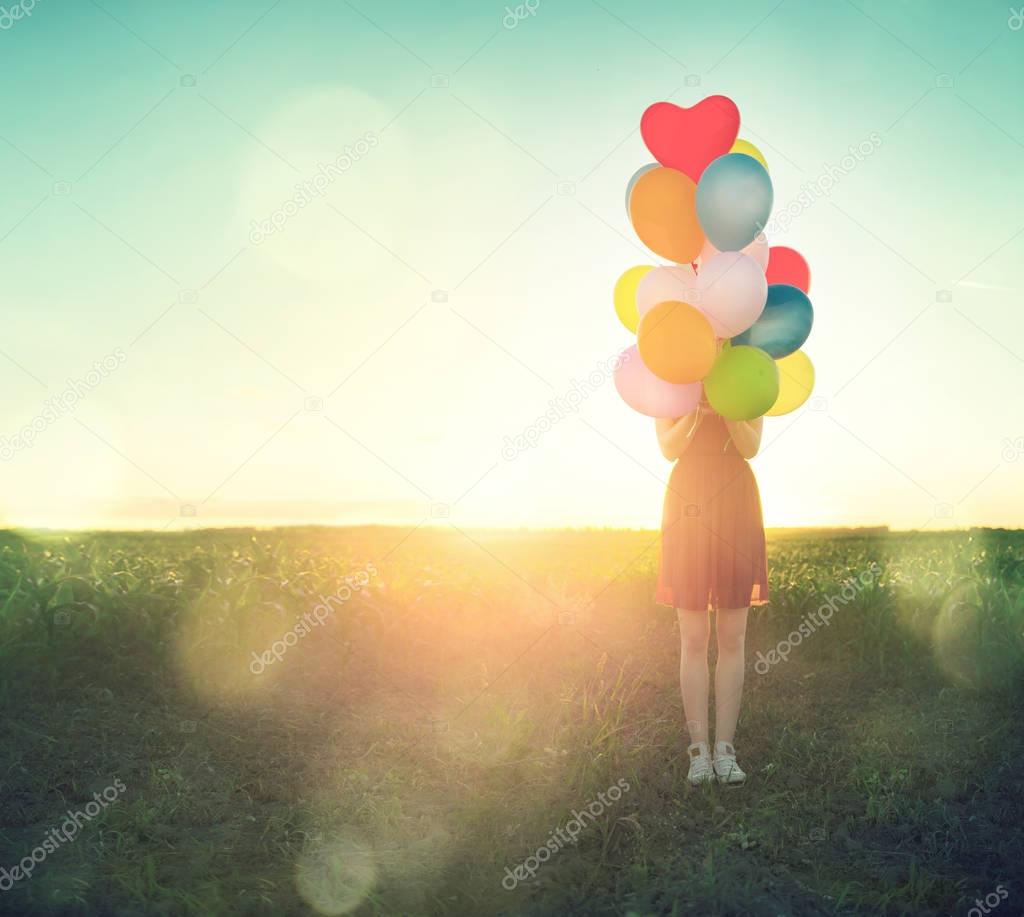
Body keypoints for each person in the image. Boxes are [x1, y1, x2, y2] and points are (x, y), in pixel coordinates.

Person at [655, 395, 769, 785]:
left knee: (733, 636)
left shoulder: (748, 374)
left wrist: (727, 404)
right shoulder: (671, 378)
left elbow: (751, 446)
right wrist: (694, 409)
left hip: (736, 499)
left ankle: (725, 749)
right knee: (693, 638)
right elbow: (669, 448)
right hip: (689, 500)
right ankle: (698, 751)